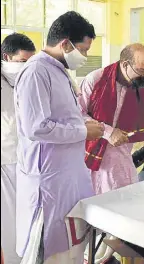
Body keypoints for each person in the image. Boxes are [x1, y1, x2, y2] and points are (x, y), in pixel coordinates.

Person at [14, 11, 104, 263]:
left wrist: (84, 122)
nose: (85, 57)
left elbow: (64, 116)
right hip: (48, 180)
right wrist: (84, 131)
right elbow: (37, 127)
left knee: (69, 246)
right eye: (83, 50)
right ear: (65, 44)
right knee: (49, 250)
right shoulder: (36, 72)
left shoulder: (58, 70)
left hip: (66, 175)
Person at [79, 43, 144, 195]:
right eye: (141, 70)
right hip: (90, 160)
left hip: (120, 164)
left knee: (121, 207)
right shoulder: (95, 80)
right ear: (125, 64)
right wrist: (107, 132)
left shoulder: (141, 92)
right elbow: (78, 114)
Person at [1, 33, 36, 264]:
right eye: (23, 61)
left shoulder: (28, 79)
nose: (27, 67)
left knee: (27, 219)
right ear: (6, 57)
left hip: (27, 161)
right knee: (8, 222)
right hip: (4, 160)